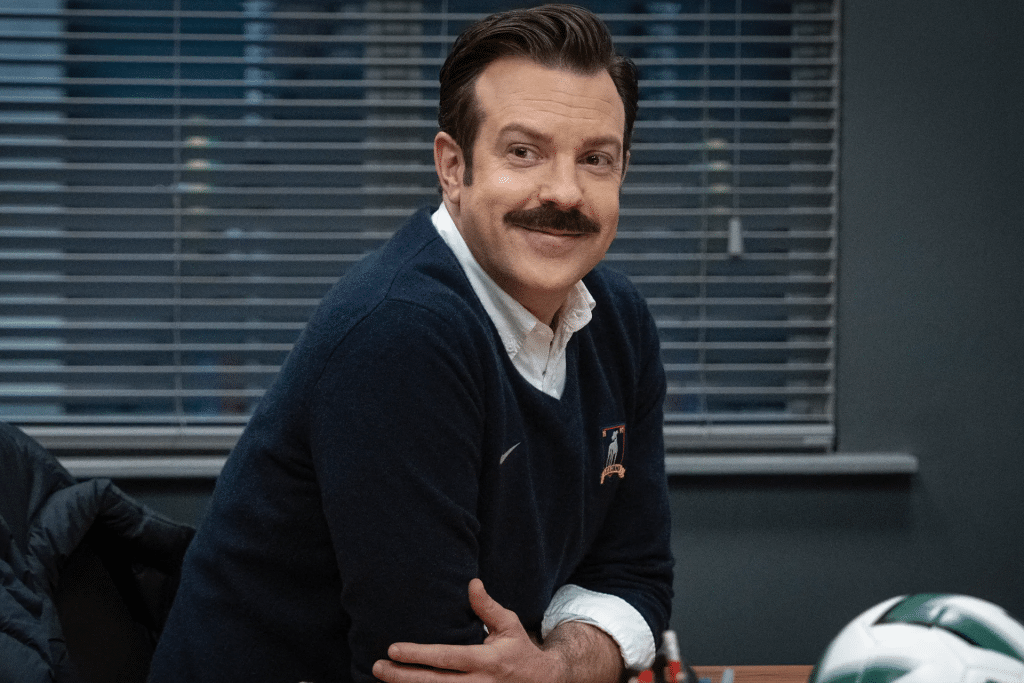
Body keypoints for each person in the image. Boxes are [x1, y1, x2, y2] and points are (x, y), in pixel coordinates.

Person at [149, 5, 673, 683]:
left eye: (595, 158)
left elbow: (637, 576)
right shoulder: (401, 331)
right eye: (524, 151)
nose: (565, 192)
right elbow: (431, 660)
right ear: (453, 168)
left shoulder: (619, 321)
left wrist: (557, 667)